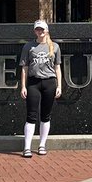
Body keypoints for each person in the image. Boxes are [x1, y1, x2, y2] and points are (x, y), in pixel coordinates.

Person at [19, 18, 62, 158]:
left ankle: (42, 145)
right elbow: (24, 68)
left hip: (49, 83)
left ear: (47, 30)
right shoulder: (28, 47)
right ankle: (27, 147)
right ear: (34, 31)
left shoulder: (54, 46)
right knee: (31, 115)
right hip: (33, 83)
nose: (40, 32)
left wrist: (59, 86)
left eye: (42, 29)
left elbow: (57, 67)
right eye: (37, 29)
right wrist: (23, 86)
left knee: (45, 115)